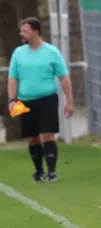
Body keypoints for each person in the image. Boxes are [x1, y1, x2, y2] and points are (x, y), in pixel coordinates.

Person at [7, 17, 74, 183]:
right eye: (21, 31)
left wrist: (70, 102)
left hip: (47, 99)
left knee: (47, 134)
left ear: (36, 32)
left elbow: (64, 78)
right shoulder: (18, 53)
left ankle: (52, 171)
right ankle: (38, 171)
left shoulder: (52, 52)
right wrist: (11, 100)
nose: (21, 34)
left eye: (25, 31)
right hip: (24, 101)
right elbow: (12, 79)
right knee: (32, 137)